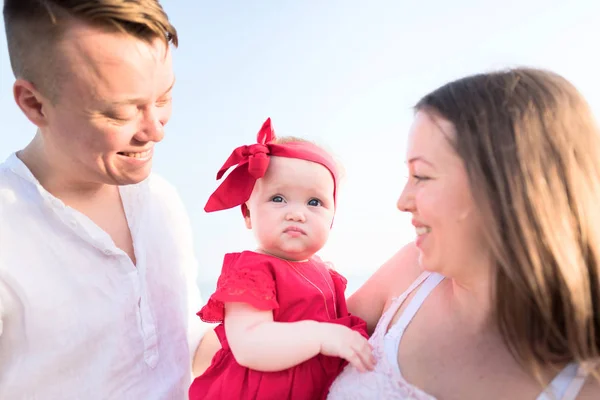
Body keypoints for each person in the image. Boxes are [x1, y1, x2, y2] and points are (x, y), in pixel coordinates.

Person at [327, 68, 600, 399]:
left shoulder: (585, 383)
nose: (402, 202)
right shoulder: (409, 275)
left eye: (422, 176)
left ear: (506, 186)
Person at [0, 1, 217, 398]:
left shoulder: (161, 202)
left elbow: (184, 348)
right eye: (119, 114)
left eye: (164, 98)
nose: (155, 131)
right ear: (34, 104)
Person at [188, 118, 374, 400]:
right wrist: (321, 336)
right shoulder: (251, 272)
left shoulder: (324, 272)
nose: (296, 213)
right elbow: (250, 343)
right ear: (248, 215)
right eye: (278, 198)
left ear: (332, 219)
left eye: (314, 202)